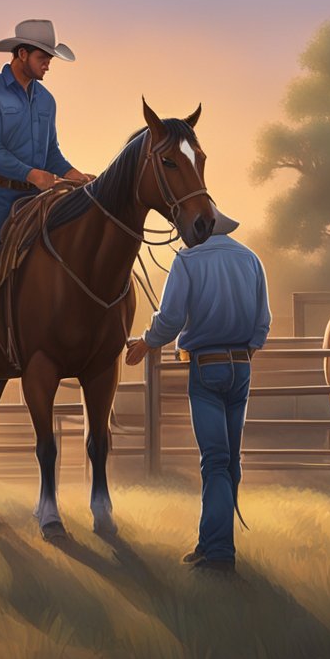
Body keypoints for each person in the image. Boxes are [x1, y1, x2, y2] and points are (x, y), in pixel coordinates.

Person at [0, 19, 93, 370]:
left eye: (51, 57)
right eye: (43, 56)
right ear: (21, 54)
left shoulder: (47, 101)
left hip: (40, 195)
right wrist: (30, 173)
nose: (48, 63)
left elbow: (51, 150)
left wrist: (72, 174)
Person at [125, 220, 271, 573]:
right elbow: (262, 321)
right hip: (241, 365)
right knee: (230, 458)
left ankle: (219, 551)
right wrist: (246, 352)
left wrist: (146, 342)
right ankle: (210, 541)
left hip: (206, 366)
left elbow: (171, 318)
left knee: (215, 459)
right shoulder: (251, 259)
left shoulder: (188, 260)